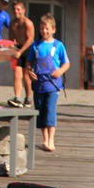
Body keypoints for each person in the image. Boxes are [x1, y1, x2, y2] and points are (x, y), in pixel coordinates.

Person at [26, 13, 70, 152]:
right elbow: (29, 62)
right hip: (38, 85)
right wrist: (29, 71)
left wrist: (60, 71)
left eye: (47, 28)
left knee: (50, 110)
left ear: (53, 30)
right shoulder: (35, 45)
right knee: (40, 111)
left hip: (53, 85)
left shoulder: (58, 45)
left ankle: (51, 140)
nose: (44, 31)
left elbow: (66, 63)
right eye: (42, 28)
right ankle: (44, 140)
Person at [7, 0, 34, 108]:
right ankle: (17, 97)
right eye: (14, 9)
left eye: (18, 9)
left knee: (26, 75)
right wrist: (11, 49)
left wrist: (20, 51)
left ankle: (28, 98)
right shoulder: (12, 23)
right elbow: (10, 39)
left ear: (23, 10)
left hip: (27, 49)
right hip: (17, 49)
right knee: (17, 74)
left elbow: (30, 39)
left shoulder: (28, 23)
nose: (16, 11)